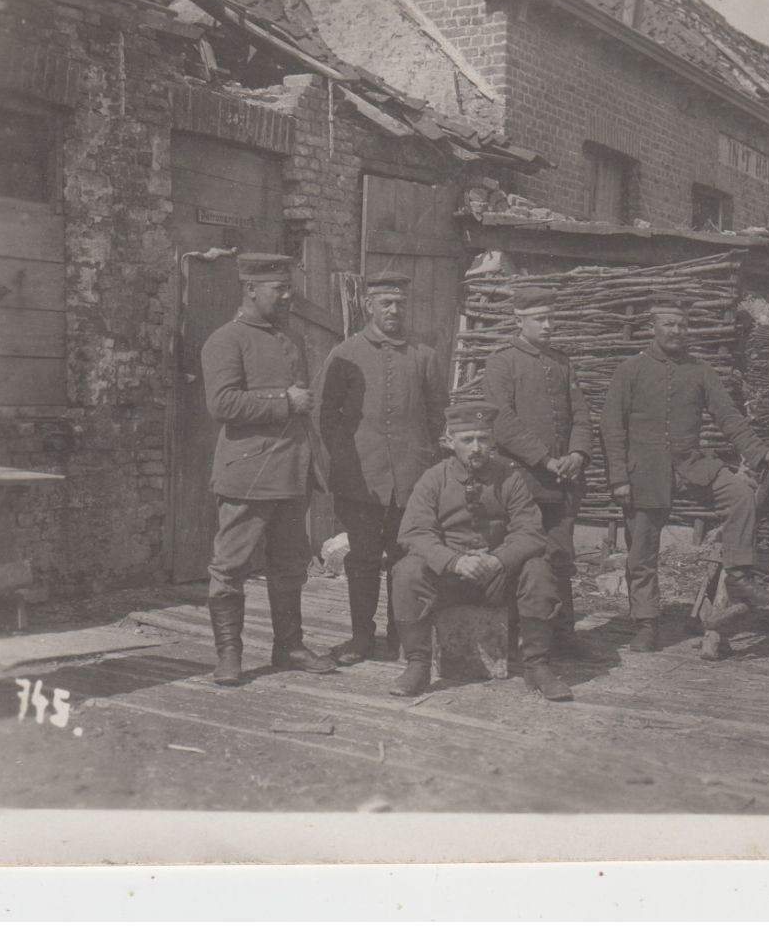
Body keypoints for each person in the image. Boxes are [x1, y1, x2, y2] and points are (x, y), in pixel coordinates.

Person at [599, 295, 769, 653]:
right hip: (645, 472)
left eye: (683, 324)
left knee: (739, 494)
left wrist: (759, 453)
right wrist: (619, 477)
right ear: (653, 327)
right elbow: (611, 427)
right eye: (669, 323)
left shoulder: (700, 371)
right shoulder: (630, 370)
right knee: (642, 551)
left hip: (691, 465)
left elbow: (728, 417)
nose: (677, 331)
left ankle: (740, 576)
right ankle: (647, 624)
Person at [199, 252, 338, 686]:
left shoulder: (289, 337)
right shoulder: (225, 340)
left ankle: (288, 647)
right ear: (250, 290)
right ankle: (229, 654)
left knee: (290, 564)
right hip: (248, 473)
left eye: (287, 287)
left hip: (291, 474)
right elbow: (221, 404)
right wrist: (285, 402)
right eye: (278, 289)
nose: (286, 296)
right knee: (230, 567)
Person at [388, 403, 572, 702]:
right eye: (467, 440)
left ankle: (537, 666)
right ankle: (417, 666)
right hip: (448, 581)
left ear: (493, 441)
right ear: (450, 442)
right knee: (407, 570)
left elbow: (531, 532)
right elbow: (414, 533)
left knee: (538, 569)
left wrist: (498, 560)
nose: (476, 447)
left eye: (483, 439)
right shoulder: (433, 479)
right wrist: (454, 561)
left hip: (496, 580)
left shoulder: (510, 478)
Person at [318, 271, 448, 665]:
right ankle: (361, 638)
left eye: (400, 304)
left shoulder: (423, 356)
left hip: (410, 479)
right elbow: (326, 417)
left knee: (404, 557)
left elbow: (437, 415)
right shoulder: (345, 355)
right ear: (369, 305)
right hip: (361, 481)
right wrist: (348, 463)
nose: (394, 311)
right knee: (362, 557)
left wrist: (419, 461)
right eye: (386, 304)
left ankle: (400, 635)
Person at [482, 285, 594, 659]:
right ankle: (517, 636)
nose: (548, 326)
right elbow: (503, 423)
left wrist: (577, 453)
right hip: (522, 481)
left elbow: (581, 415)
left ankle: (562, 634)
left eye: (551, 318)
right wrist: (545, 460)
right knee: (519, 557)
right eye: (539, 319)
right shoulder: (502, 363)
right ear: (519, 320)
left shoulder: (562, 363)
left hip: (562, 483)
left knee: (560, 557)